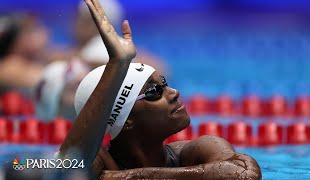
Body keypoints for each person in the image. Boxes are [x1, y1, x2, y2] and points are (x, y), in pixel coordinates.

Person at [59, 0, 261, 179]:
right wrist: (117, 64)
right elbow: (62, 169)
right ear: (126, 120)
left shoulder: (197, 152)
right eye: (155, 91)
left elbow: (245, 174)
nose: (173, 93)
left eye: (164, 83)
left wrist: (129, 177)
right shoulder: (98, 162)